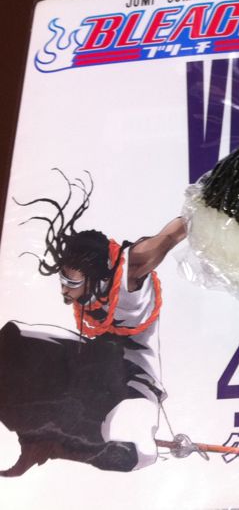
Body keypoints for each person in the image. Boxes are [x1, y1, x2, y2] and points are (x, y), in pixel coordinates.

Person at [0, 172, 186, 476]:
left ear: (97, 276)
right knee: (13, 338)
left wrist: (210, 208)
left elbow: (170, 236)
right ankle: (35, 440)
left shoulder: (130, 270)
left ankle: (56, 446)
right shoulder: (83, 290)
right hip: (92, 366)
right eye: (63, 280)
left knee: (135, 454)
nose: (64, 290)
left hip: (134, 377)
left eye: (72, 283)